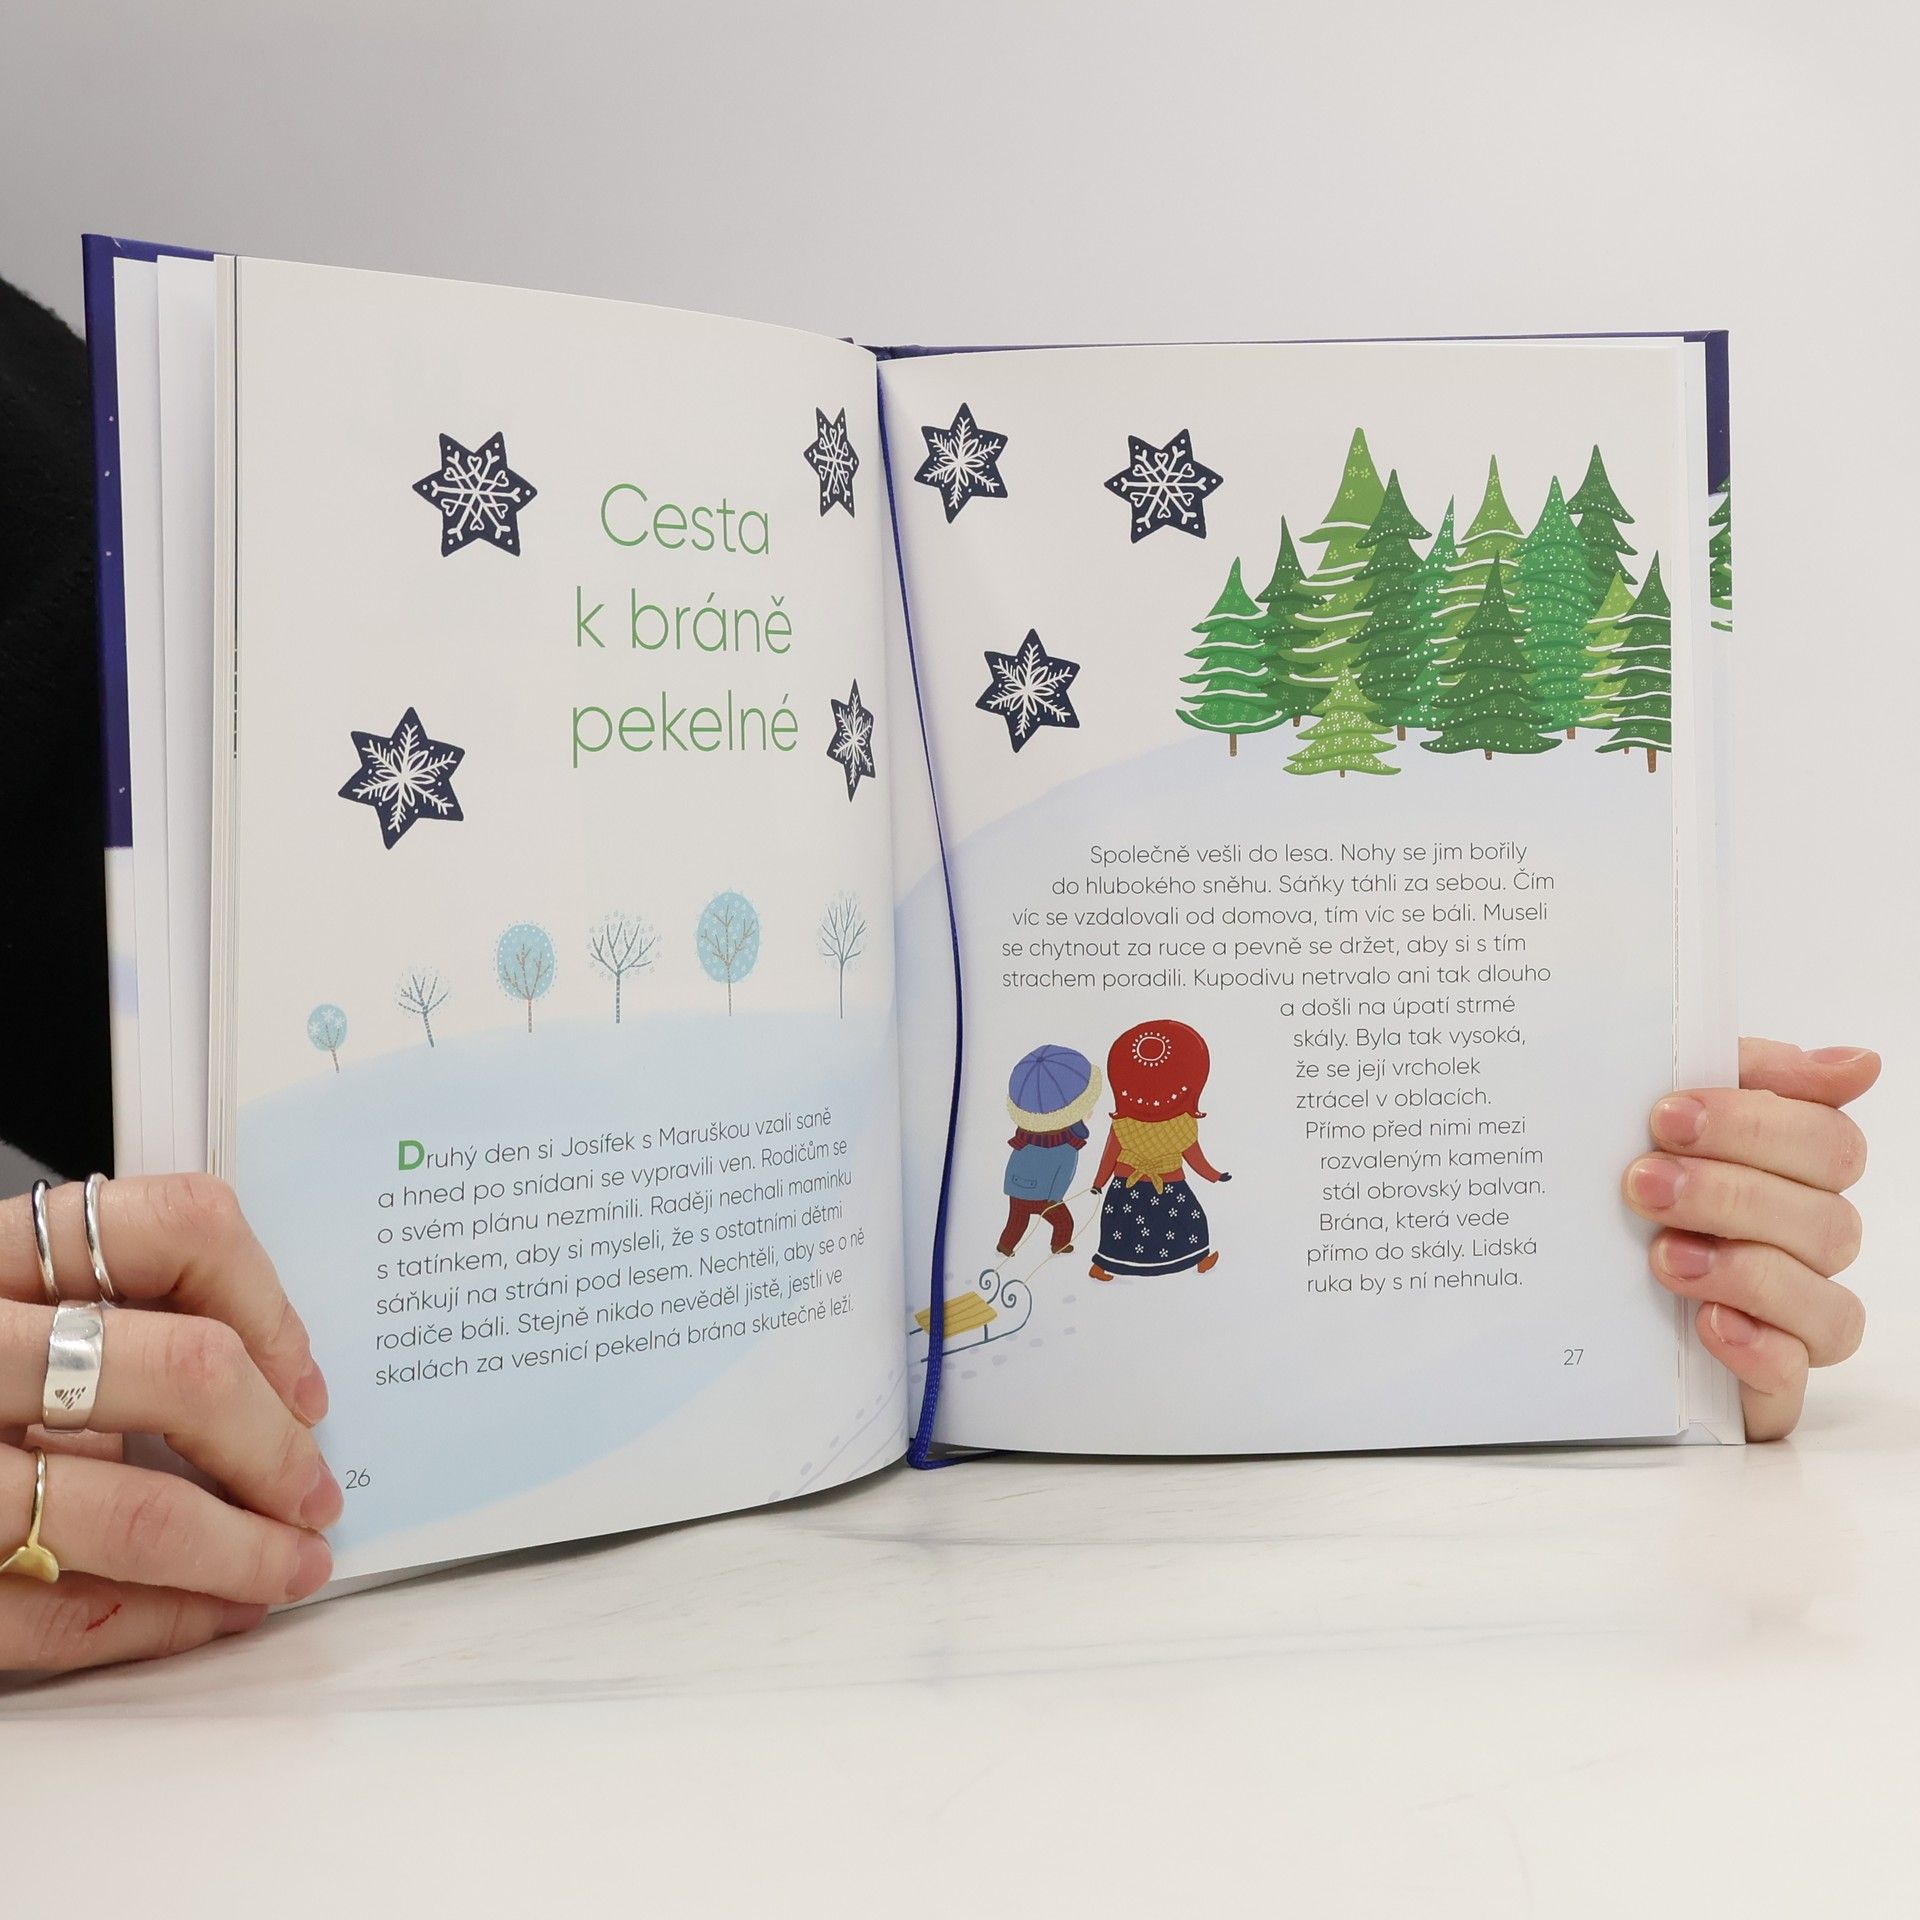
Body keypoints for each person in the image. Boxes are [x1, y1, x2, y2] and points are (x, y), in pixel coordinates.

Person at [1089, 1019, 1233, 1281]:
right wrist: (1098, 1182)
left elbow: (1193, 1155)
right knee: (1122, 1228)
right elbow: (1111, 1154)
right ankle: (1101, 1265)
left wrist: (1214, 1174)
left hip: (1160, 1183)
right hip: (1136, 1184)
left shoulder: (1176, 1123)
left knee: (1186, 1221)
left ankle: (1199, 1259)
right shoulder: (1130, 1122)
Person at [998, 1044, 1102, 1259]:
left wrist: (1011, 1187)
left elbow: (1014, 1161)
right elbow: (1064, 1174)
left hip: (1017, 1190)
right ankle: (1060, 1245)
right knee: (1064, 1223)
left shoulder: (1025, 1137)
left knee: (1017, 1221)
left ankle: (1005, 1245)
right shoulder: (1067, 1145)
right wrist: (1055, 1198)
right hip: (1045, 1197)